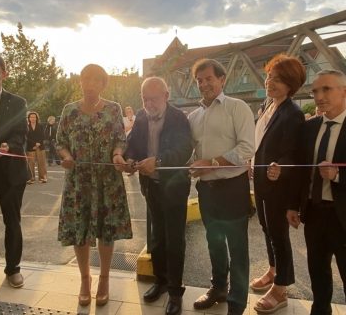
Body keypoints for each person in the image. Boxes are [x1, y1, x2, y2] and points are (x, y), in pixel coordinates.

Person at [56, 64, 132, 307]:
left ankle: (105, 279)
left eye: (95, 81)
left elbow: (120, 139)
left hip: (107, 181)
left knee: (105, 231)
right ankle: (85, 280)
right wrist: (66, 156)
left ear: (103, 84)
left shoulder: (113, 109)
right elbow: (59, 142)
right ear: (80, 82)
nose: (90, 85)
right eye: (86, 80)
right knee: (80, 230)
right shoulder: (69, 111)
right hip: (78, 182)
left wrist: (118, 155)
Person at [120, 77, 193, 315]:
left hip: (173, 187)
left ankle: (174, 291)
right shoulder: (141, 117)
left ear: (166, 96)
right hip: (150, 186)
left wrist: (158, 162)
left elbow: (184, 150)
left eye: (153, 98)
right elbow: (132, 144)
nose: (148, 104)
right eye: (144, 99)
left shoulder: (179, 118)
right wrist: (130, 159)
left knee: (174, 240)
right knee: (157, 238)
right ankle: (160, 281)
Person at [188, 59, 255, 315]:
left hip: (232, 188)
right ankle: (219, 289)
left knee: (237, 247)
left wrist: (212, 163)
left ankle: (237, 302)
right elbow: (193, 153)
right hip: (206, 191)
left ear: (222, 79)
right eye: (200, 80)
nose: (204, 84)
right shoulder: (194, 117)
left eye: (208, 78)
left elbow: (248, 148)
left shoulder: (238, 108)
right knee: (214, 242)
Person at [287, 69, 346, 315]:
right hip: (314, 213)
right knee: (318, 272)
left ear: (344, 91)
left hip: (343, 215)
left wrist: (339, 175)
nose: (319, 96)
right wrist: (292, 205)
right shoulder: (309, 128)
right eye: (315, 91)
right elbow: (300, 171)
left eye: (326, 89)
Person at [251, 54, 306, 313]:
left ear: (291, 85)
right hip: (261, 182)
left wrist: (281, 167)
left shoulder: (293, 113)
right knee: (266, 229)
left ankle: (281, 288)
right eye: (270, 76)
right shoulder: (267, 105)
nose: (270, 82)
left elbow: (294, 153)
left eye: (278, 79)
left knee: (279, 236)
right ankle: (273, 270)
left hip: (278, 186)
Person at [0, 54, 28, 288]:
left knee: (13, 221)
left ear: (5, 74)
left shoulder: (17, 102)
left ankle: (13, 269)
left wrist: (7, 146)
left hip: (9, 169)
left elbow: (21, 133)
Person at [26, 111, 47, 183]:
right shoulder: (26, 126)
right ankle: (31, 178)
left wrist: (38, 144)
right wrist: (34, 144)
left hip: (40, 146)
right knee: (31, 163)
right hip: (30, 147)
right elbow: (26, 137)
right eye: (31, 117)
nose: (33, 118)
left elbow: (43, 136)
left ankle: (43, 178)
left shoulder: (40, 126)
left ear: (36, 118)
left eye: (34, 117)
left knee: (41, 162)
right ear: (29, 118)